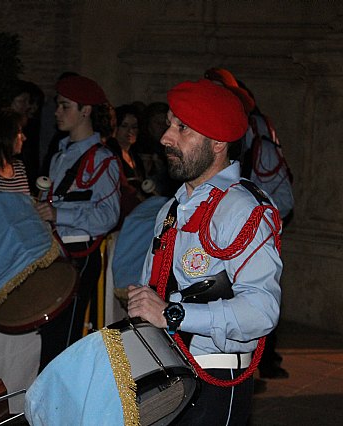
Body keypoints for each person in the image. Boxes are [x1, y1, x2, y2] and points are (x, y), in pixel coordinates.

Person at [126, 79, 282, 424]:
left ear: (217, 143)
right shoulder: (172, 208)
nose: (167, 137)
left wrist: (175, 315)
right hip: (166, 371)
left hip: (214, 381)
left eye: (183, 128)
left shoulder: (242, 209)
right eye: (169, 124)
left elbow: (262, 309)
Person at [205, 67, 294, 380]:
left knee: (253, 300)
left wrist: (253, 220)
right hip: (211, 237)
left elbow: (283, 198)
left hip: (244, 235)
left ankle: (260, 362)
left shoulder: (259, 143)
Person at [34, 75, 121, 371]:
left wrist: (60, 215)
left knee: (66, 339)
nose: (57, 112)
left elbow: (108, 215)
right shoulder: (60, 153)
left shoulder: (103, 159)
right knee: (51, 335)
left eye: (64, 105)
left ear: (85, 111)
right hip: (56, 252)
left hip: (79, 255)